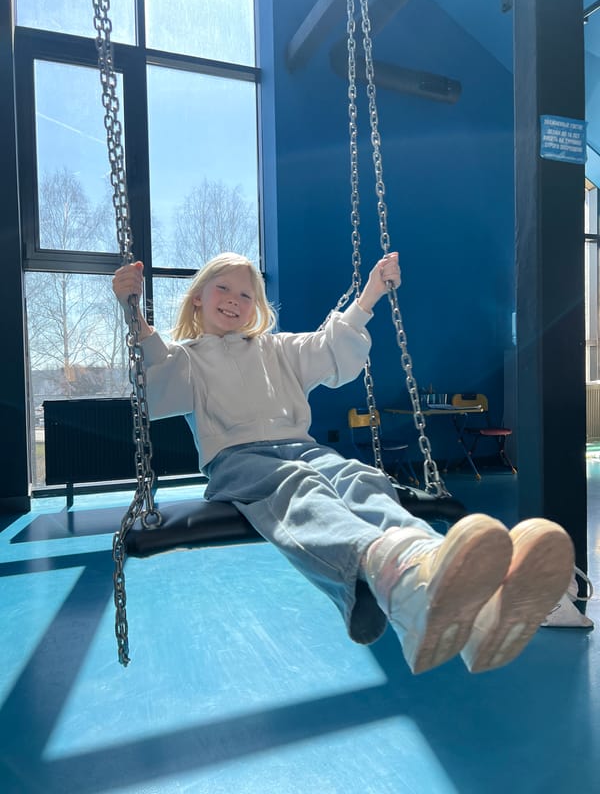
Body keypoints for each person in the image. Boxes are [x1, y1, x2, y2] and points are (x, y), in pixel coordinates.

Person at [112, 251, 574, 675]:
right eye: (223, 289)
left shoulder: (277, 349)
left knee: (361, 478)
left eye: (246, 294)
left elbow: (331, 350)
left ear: (257, 308)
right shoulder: (188, 358)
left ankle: (456, 593)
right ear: (197, 300)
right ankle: (404, 582)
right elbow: (157, 377)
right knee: (298, 488)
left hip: (305, 448)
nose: (234, 300)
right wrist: (133, 311)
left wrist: (372, 292)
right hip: (240, 460)